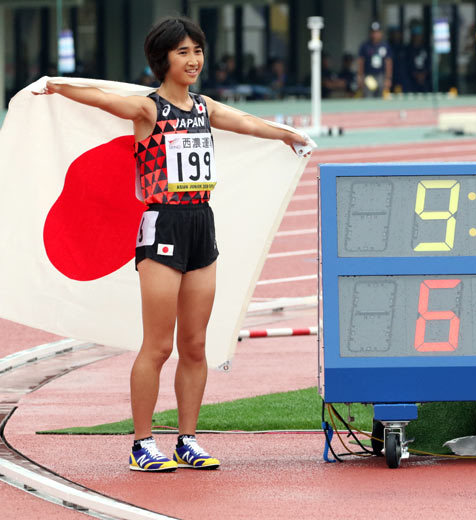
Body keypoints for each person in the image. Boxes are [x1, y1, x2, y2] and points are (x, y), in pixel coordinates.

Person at [36, 16, 308, 472]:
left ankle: (188, 438)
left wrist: (287, 135)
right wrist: (58, 86)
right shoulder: (148, 110)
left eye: (197, 50)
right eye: (182, 52)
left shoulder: (203, 107)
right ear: (162, 59)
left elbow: (243, 121)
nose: (193, 59)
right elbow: (103, 99)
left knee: (196, 345)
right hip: (162, 225)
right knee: (158, 345)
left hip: (202, 223)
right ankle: (142, 442)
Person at [357, 21, 393, 97]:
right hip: (368, 76)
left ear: (381, 33)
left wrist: (388, 78)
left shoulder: (385, 46)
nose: (375, 35)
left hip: (381, 75)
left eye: (377, 32)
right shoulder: (365, 46)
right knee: (368, 96)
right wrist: (360, 76)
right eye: (373, 32)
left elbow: (388, 62)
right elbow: (361, 61)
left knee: (380, 96)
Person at [405, 25, 431, 93]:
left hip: (425, 79)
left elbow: (429, 64)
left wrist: (424, 74)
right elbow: (407, 65)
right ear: (412, 36)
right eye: (415, 35)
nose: (417, 38)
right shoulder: (408, 49)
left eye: (419, 35)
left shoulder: (426, 49)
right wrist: (416, 75)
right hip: (412, 80)